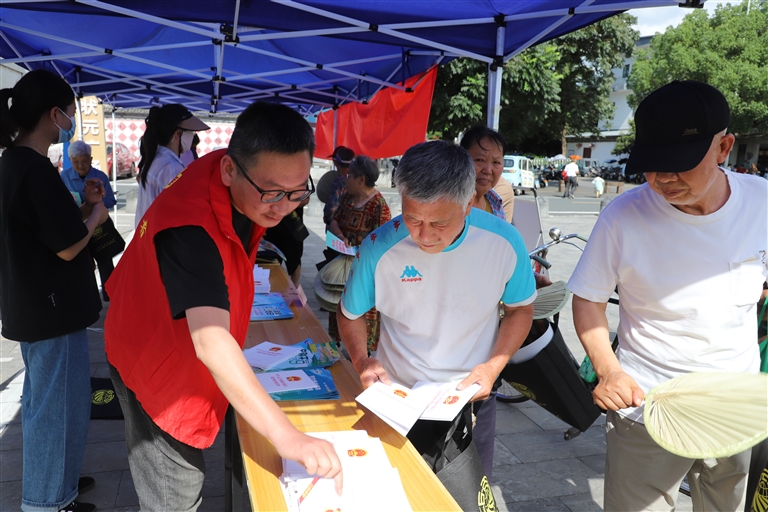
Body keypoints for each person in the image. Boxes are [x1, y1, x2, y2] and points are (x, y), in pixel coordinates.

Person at [104, 101, 342, 510]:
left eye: (297, 192)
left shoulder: (237, 174)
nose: (283, 206)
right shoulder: (189, 226)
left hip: (174, 332)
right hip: (154, 359)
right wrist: (287, 436)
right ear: (231, 170)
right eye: (272, 192)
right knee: (175, 491)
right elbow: (211, 344)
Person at [568, 80, 767, 512]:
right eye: (651, 165)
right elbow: (587, 300)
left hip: (734, 402)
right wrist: (609, 371)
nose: (662, 179)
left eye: (678, 163)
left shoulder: (762, 203)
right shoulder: (623, 216)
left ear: (724, 147)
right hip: (648, 404)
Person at [337, 140, 536, 485]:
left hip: (472, 395)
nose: (424, 235)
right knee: (395, 491)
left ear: (468, 203)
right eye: (413, 218)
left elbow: (520, 310)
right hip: (398, 396)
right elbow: (350, 313)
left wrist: (493, 367)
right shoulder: (378, 247)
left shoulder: (505, 243)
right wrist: (361, 360)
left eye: (439, 223)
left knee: (466, 494)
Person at [0, 69, 110, 512]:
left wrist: (84, 206)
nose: (71, 120)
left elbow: (48, 232)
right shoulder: (33, 168)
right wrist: (97, 217)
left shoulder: (13, 164)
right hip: (50, 309)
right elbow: (67, 246)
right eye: (69, 112)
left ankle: (56, 487)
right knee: (53, 410)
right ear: (53, 114)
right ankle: (45, 502)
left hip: (33, 306)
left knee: (53, 404)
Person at [326, 155, 391, 352]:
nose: (346, 180)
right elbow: (334, 220)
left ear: (361, 180)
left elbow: (384, 243)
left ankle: (362, 353)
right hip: (342, 267)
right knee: (336, 302)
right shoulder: (348, 197)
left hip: (364, 271)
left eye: (350, 176)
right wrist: (339, 236)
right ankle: (336, 346)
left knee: (360, 308)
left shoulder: (378, 206)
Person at [61, 140, 118, 301]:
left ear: (91, 160)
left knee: (105, 260)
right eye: (76, 161)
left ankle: (110, 295)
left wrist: (96, 204)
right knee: (82, 262)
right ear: (70, 161)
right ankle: (86, 296)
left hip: (99, 226)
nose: (80, 165)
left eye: (84, 161)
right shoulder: (64, 176)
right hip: (76, 225)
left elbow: (111, 200)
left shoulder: (100, 177)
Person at [134, 104, 209, 226]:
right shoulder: (171, 167)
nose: (193, 136)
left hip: (145, 236)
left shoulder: (155, 159)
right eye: (191, 132)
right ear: (177, 134)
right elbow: (179, 213)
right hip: (158, 238)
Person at [459, 124, 509, 221]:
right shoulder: (447, 203)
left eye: (496, 162)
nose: (488, 170)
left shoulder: (495, 203)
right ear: (461, 159)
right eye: (479, 160)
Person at [319, 145, 355, 227]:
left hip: (337, 226)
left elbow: (331, 207)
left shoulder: (339, 182)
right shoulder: (357, 180)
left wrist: (327, 218)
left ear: (336, 162)